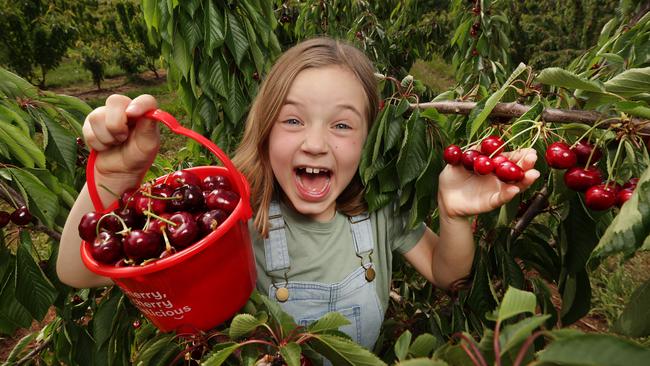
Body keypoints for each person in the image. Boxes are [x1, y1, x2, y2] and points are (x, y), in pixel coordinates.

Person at [57, 37, 539, 349]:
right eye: (292, 120)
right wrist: (113, 179)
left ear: (369, 143)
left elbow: (447, 272)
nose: (314, 142)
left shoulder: (378, 211)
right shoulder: (234, 218)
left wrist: (452, 216)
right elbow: (77, 272)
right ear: (264, 132)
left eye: (343, 124)